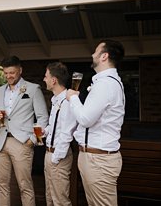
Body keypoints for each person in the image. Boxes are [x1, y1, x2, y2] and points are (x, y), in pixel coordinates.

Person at [65, 39, 125, 206]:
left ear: (104, 56)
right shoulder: (106, 82)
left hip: (99, 160)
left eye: (96, 51)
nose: (92, 54)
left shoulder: (105, 84)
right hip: (94, 157)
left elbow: (85, 118)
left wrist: (73, 98)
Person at [0, 56, 47, 206]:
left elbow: (43, 118)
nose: (8, 76)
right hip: (1, 142)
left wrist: (33, 140)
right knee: (1, 185)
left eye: (12, 73)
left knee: (25, 186)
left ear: (20, 70)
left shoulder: (33, 89)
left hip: (22, 143)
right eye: (6, 73)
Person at [42, 61, 78, 206]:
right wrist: (45, 131)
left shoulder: (68, 101)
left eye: (46, 76)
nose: (44, 79)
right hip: (49, 154)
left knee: (61, 201)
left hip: (58, 156)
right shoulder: (56, 99)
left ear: (54, 80)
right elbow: (55, 126)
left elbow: (67, 133)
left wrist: (55, 158)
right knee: (50, 197)